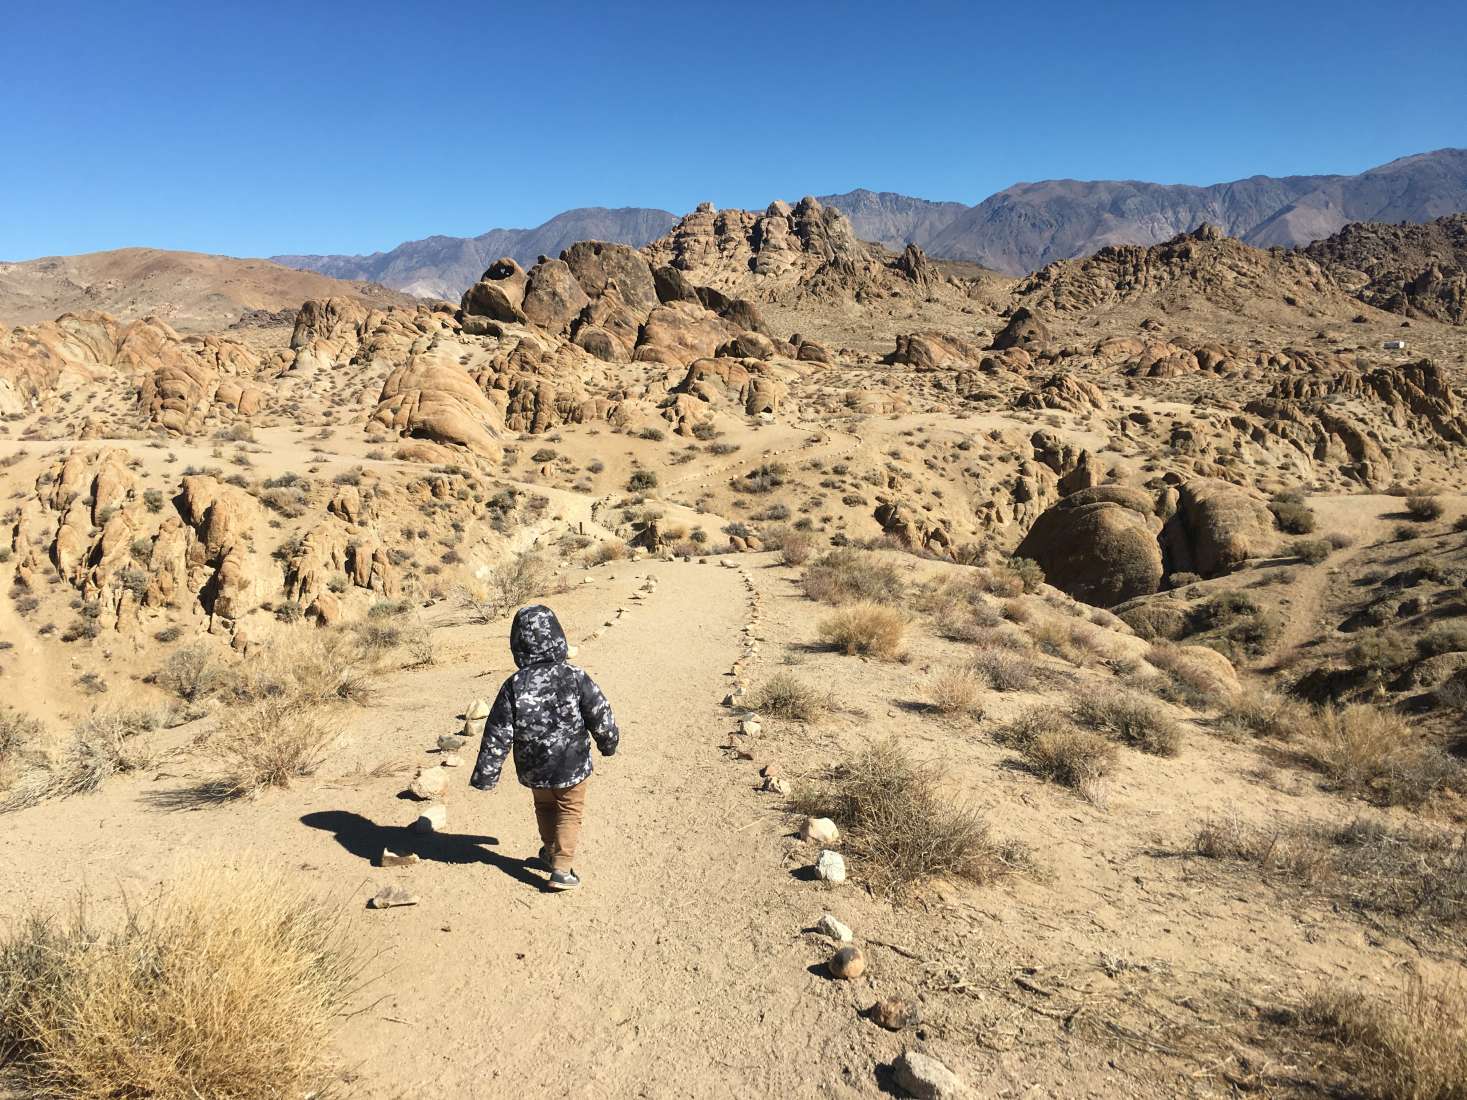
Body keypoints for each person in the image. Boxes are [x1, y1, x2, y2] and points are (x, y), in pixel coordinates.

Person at [470, 604, 618, 891]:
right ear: (557, 635)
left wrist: (486, 774)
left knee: (545, 805)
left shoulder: (513, 685)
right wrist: (608, 741)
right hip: (572, 763)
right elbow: (599, 712)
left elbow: (498, 731)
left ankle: (550, 852)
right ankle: (561, 868)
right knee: (569, 809)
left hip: (534, 765)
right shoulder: (574, 676)